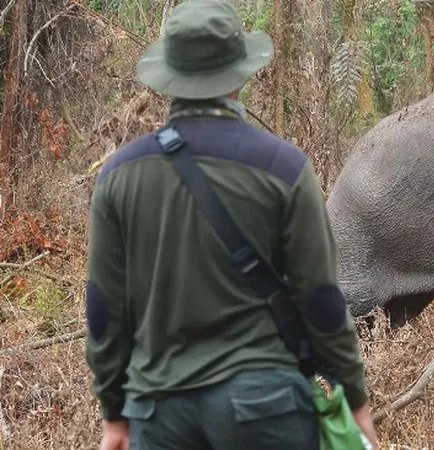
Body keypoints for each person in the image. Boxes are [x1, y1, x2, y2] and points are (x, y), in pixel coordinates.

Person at [83, 1, 379, 449]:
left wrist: (114, 413)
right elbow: (320, 299)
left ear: (170, 79)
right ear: (240, 76)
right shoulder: (284, 167)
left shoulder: (119, 175)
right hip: (267, 408)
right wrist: (353, 397)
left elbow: (103, 310)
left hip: (159, 413)